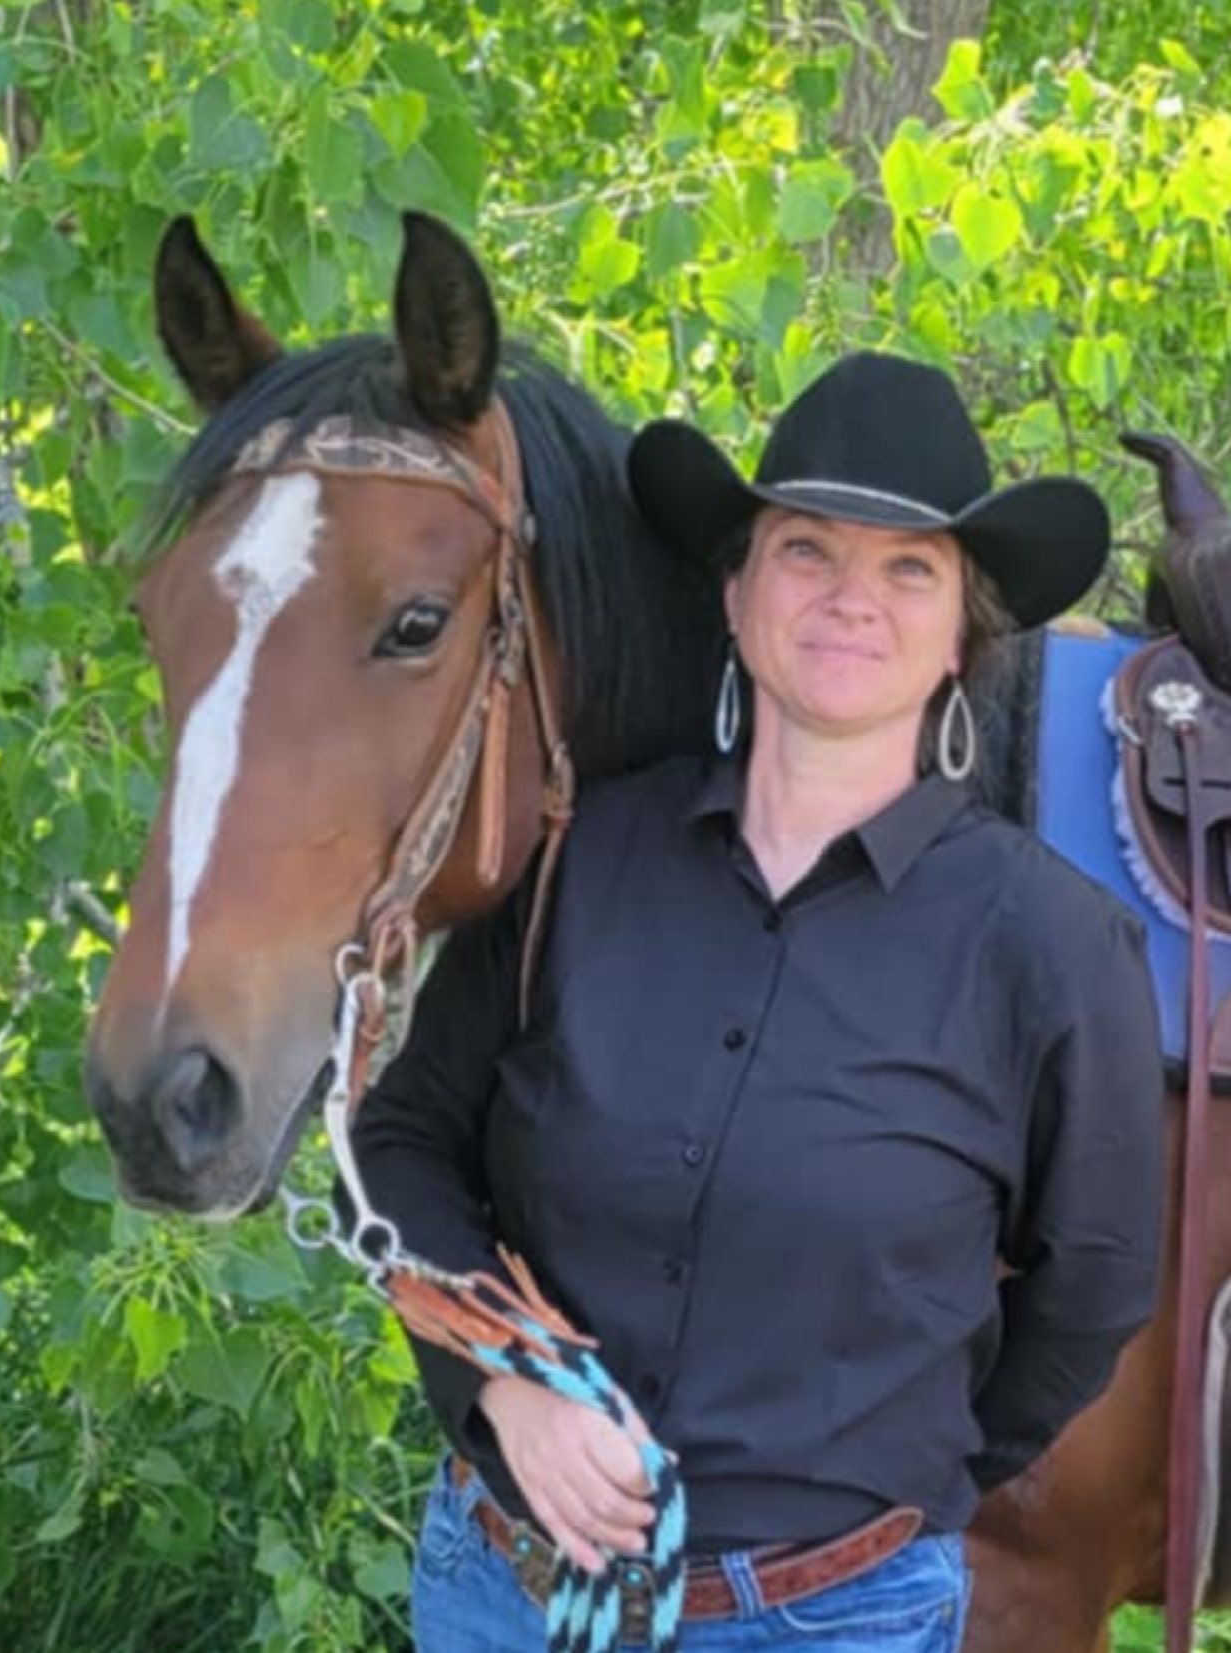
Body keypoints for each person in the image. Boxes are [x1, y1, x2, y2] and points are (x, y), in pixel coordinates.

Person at [353, 351, 1165, 1652]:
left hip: (836, 1618)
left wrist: (903, 1465)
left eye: (911, 567)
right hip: (504, 1593)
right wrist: (504, 1377)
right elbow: (394, 1148)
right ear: (734, 593)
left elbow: (1099, 1286)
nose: (853, 597)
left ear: (963, 632)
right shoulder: (571, 860)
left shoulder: (1055, 948)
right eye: (806, 550)